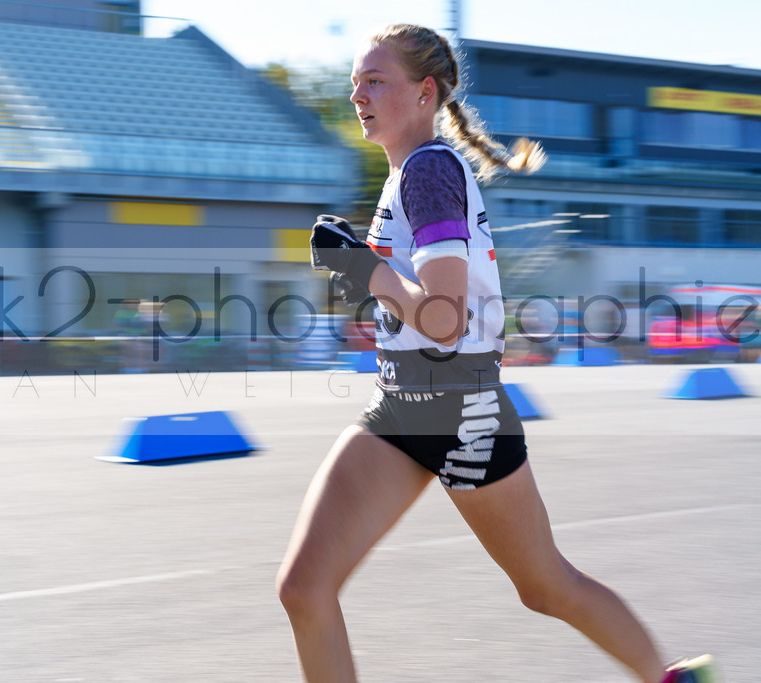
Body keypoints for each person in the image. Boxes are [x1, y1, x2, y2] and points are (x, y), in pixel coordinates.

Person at [276, 23, 716, 683]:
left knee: (544, 585)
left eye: (375, 81)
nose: (358, 95)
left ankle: (671, 677)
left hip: (460, 410)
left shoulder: (427, 171)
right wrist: (362, 277)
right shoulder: (409, 175)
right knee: (304, 588)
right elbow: (416, 303)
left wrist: (361, 271)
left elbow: (445, 318)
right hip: (400, 405)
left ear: (424, 93)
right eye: (354, 83)